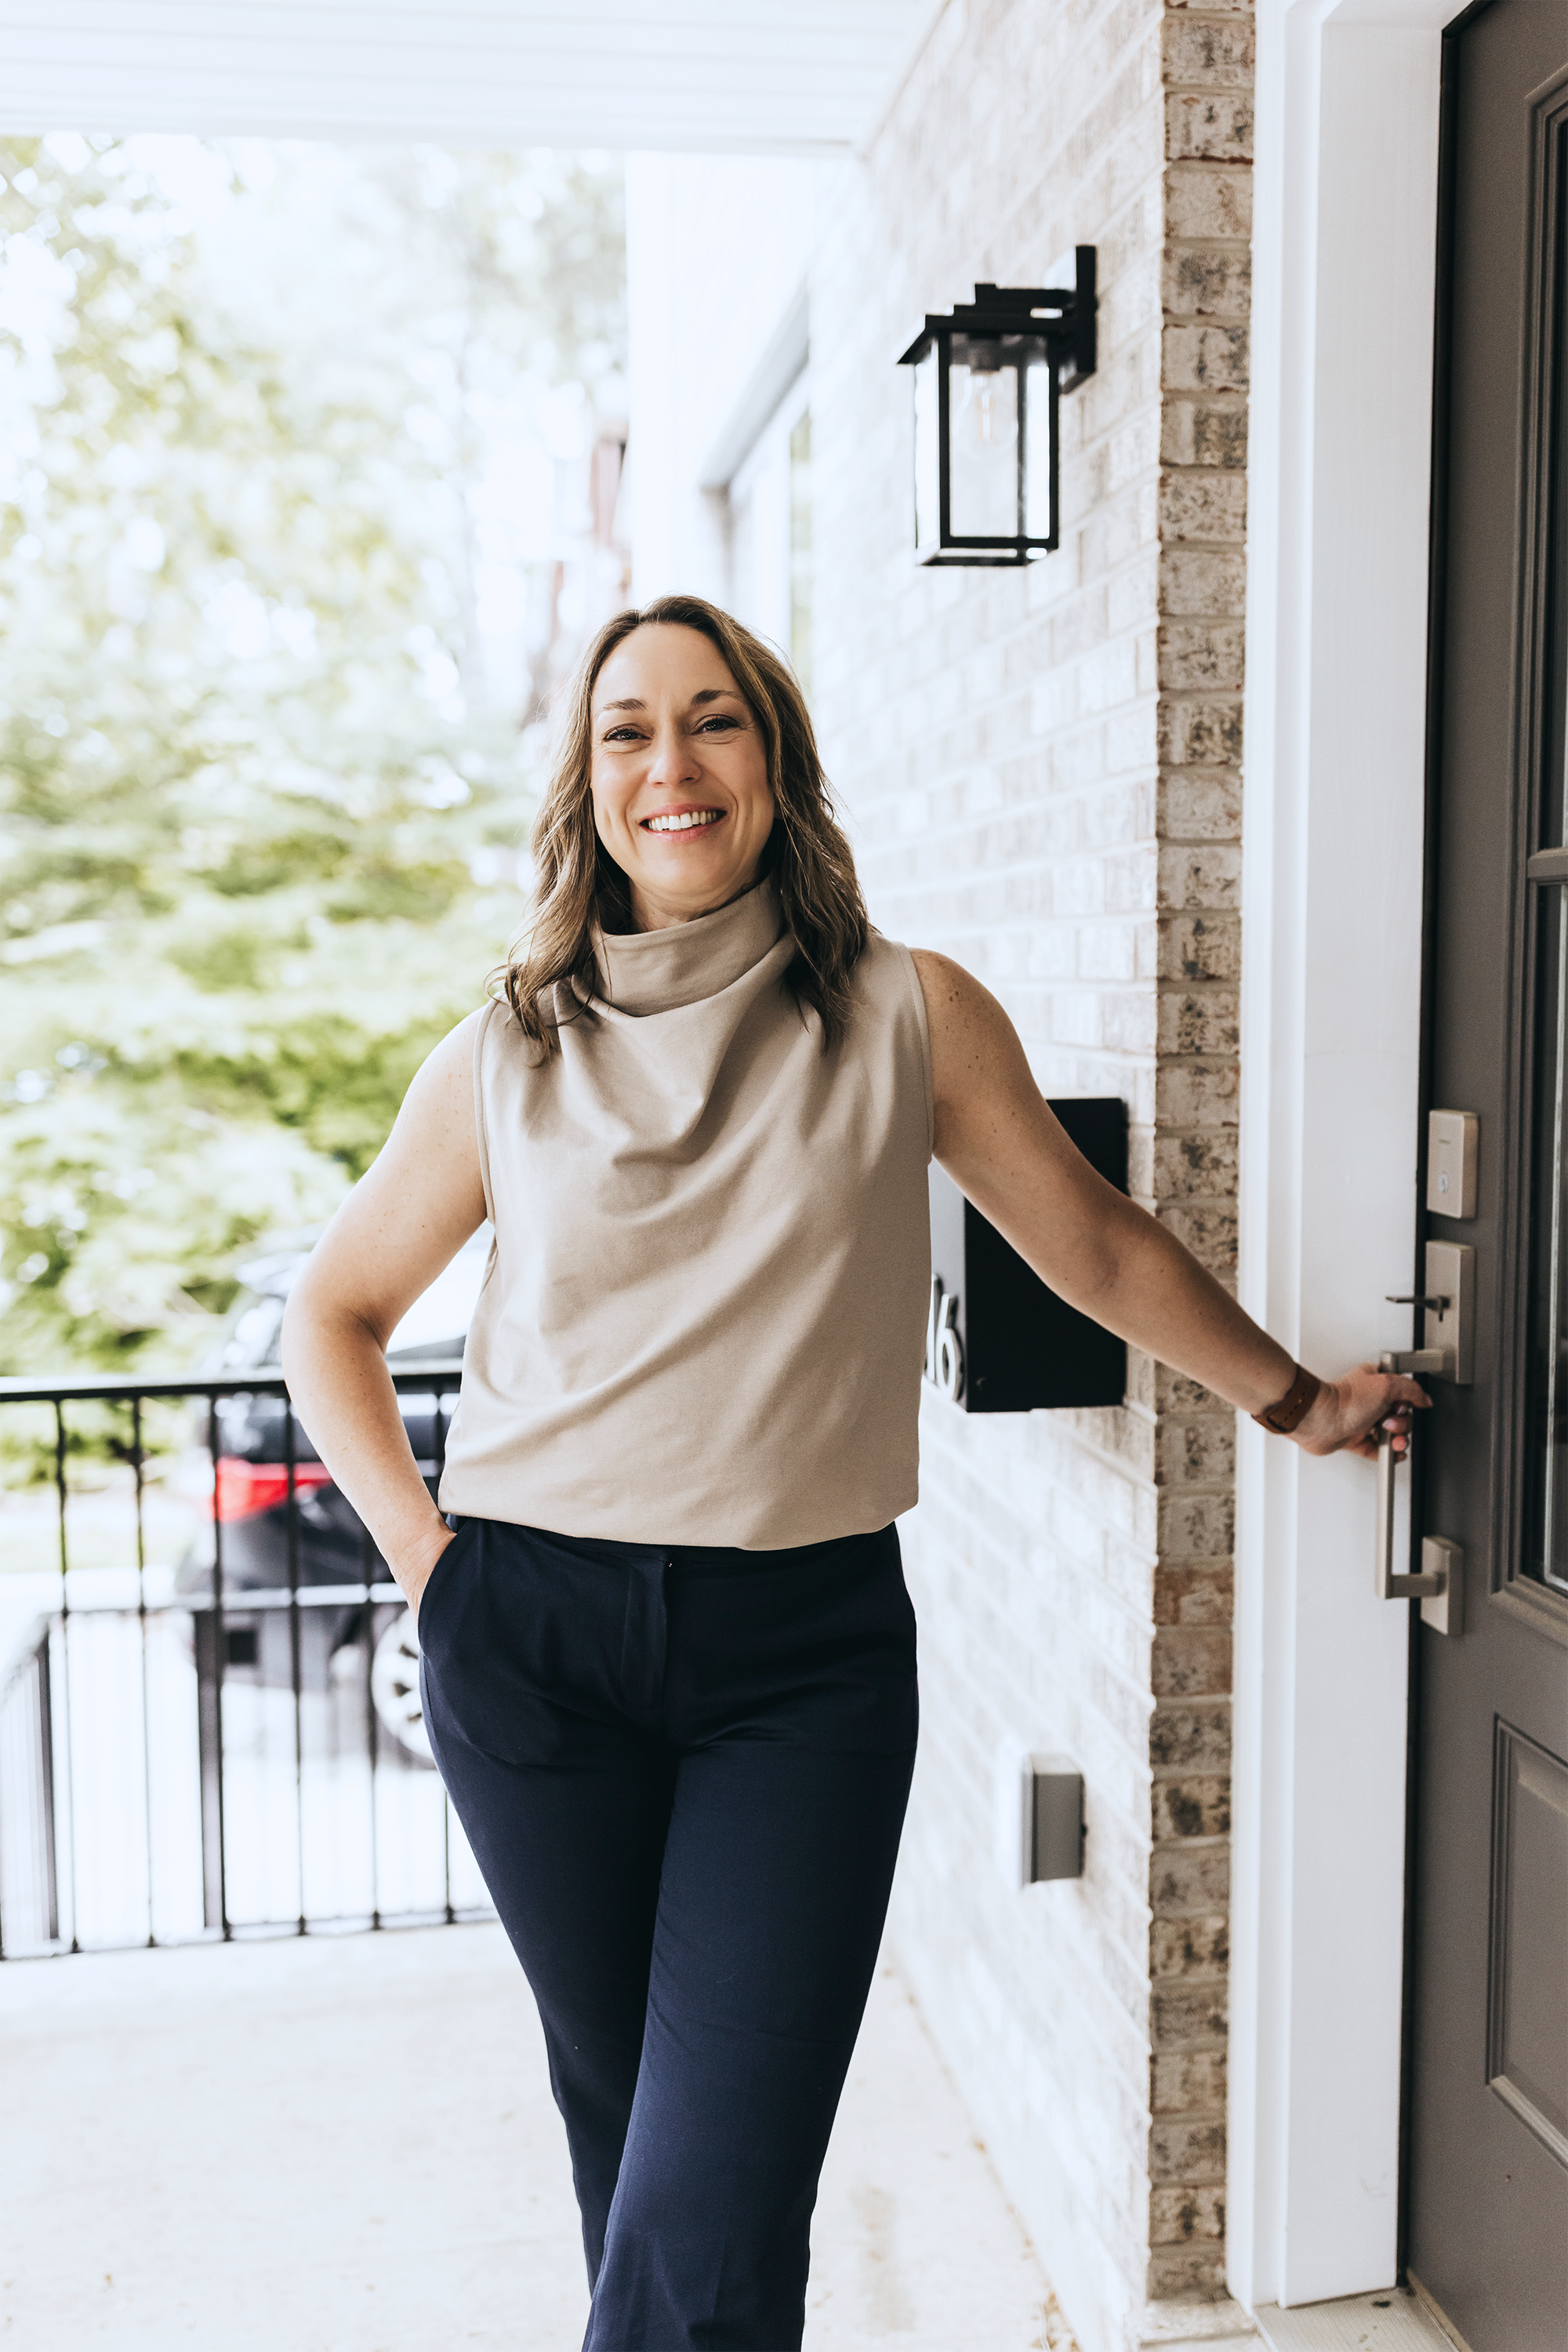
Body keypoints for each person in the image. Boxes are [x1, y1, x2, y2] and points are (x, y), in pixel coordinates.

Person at [281, 593, 1425, 2351]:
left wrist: (1292, 1405)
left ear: (776, 758)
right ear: (587, 788)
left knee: (713, 2181)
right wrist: (435, 1567)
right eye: (627, 733)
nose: (673, 763)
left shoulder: (905, 1012)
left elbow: (1098, 1251)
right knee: (641, 2148)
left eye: (713, 720)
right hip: (530, 1644)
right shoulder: (507, 1048)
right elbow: (336, 1316)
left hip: (796, 1663)